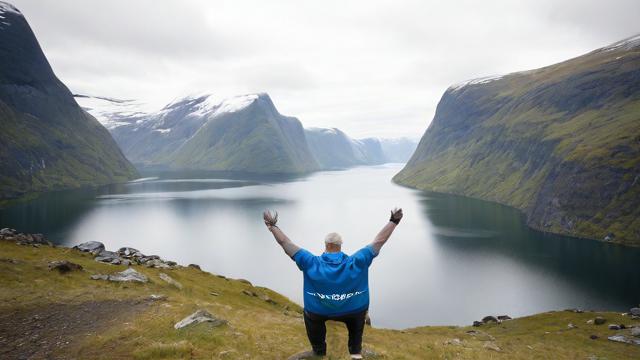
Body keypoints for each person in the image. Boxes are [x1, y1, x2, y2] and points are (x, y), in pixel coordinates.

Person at [263, 208, 403, 359]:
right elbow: (379, 241)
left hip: (318, 311)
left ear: (326, 245)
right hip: (355, 310)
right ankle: (355, 352)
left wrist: (273, 227)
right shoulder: (357, 261)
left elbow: (285, 243)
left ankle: (318, 351)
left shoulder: (310, 262)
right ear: (340, 245)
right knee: (357, 321)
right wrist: (393, 222)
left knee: (310, 317)